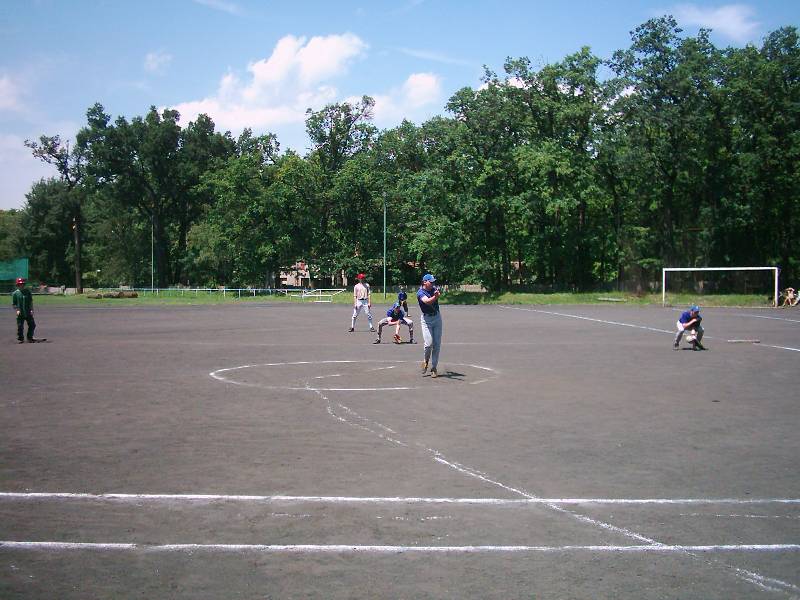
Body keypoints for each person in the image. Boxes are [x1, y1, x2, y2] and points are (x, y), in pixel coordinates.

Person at [417, 273, 443, 377]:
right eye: (431, 282)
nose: (433, 283)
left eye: (433, 282)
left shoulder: (433, 288)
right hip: (426, 319)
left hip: (437, 318)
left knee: (436, 344)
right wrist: (435, 297)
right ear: (424, 282)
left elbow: (437, 292)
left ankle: (434, 368)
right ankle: (426, 361)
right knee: (428, 343)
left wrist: (437, 293)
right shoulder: (420, 293)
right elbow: (427, 301)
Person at [12, 277, 38, 343]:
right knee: (20, 326)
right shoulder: (15, 293)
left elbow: (30, 301)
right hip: (20, 313)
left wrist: (31, 309)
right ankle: (20, 338)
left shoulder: (27, 292)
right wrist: (17, 310)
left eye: (22, 284)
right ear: (17, 285)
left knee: (32, 325)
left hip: (27, 311)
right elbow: (14, 304)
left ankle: (30, 337)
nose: (21, 285)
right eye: (20, 284)